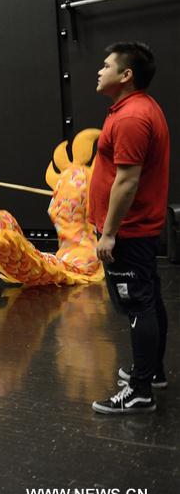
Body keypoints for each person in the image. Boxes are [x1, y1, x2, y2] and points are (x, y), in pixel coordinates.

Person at [88, 42, 168, 415]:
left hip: (129, 232)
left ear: (126, 75)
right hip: (137, 229)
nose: (99, 71)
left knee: (137, 306)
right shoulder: (136, 109)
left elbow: (126, 182)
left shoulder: (131, 117)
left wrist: (108, 233)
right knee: (148, 300)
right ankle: (151, 374)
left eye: (106, 66)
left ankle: (139, 392)